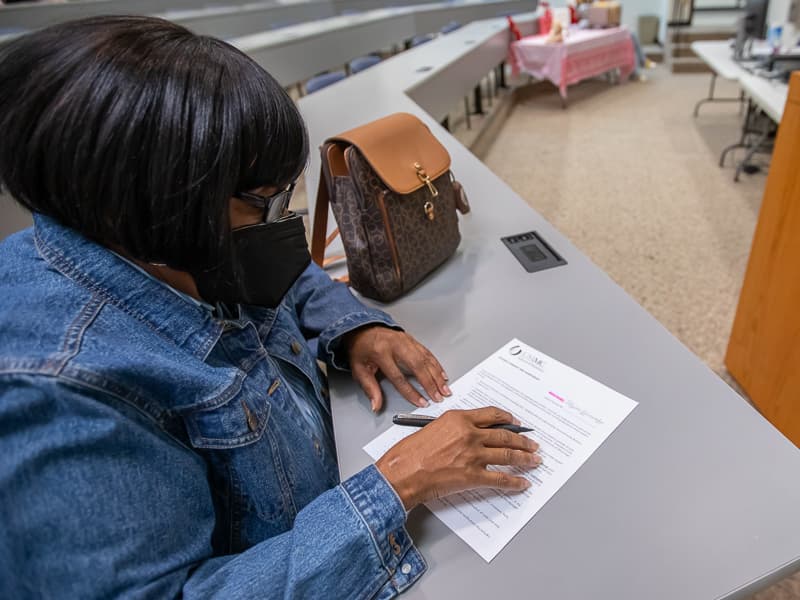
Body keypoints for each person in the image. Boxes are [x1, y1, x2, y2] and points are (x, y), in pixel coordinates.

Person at [0, 16, 542, 599]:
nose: (280, 222)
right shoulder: (61, 395)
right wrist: (397, 485)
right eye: (263, 202)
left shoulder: (165, 245)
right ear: (154, 205)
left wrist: (354, 329)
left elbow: (287, 275)